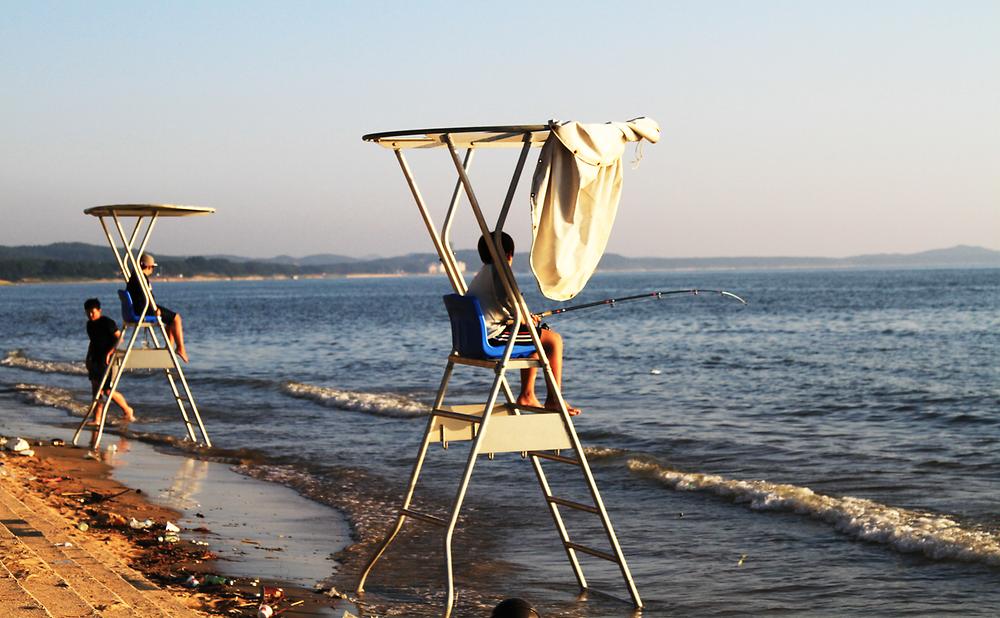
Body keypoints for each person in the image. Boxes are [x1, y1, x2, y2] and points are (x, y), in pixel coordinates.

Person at [467, 231, 580, 416]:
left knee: (537, 342)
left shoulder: (482, 274)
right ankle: (554, 399)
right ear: (509, 254)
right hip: (491, 340)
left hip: (476, 339)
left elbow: (503, 309)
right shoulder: (502, 274)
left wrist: (524, 319)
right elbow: (521, 314)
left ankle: (527, 395)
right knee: (553, 340)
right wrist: (529, 319)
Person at [127, 253, 189, 362]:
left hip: (138, 308)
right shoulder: (141, 278)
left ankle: (169, 347)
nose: (152, 270)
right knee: (176, 318)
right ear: (148, 267)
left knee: (170, 320)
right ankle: (180, 348)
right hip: (144, 310)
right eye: (152, 267)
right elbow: (146, 297)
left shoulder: (134, 277)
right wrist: (155, 310)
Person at [84, 298, 135, 424]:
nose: (90, 315)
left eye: (93, 312)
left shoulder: (107, 322)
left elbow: (120, 338)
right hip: (95, 359)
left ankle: (127, 410)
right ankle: (97, 419)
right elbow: (92, 342)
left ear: (99, 311)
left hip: (108, 360)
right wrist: (88, 358)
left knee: (108, 390)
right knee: (96, 391)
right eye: (88, 312)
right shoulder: (89, 325)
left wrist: (110, 352)